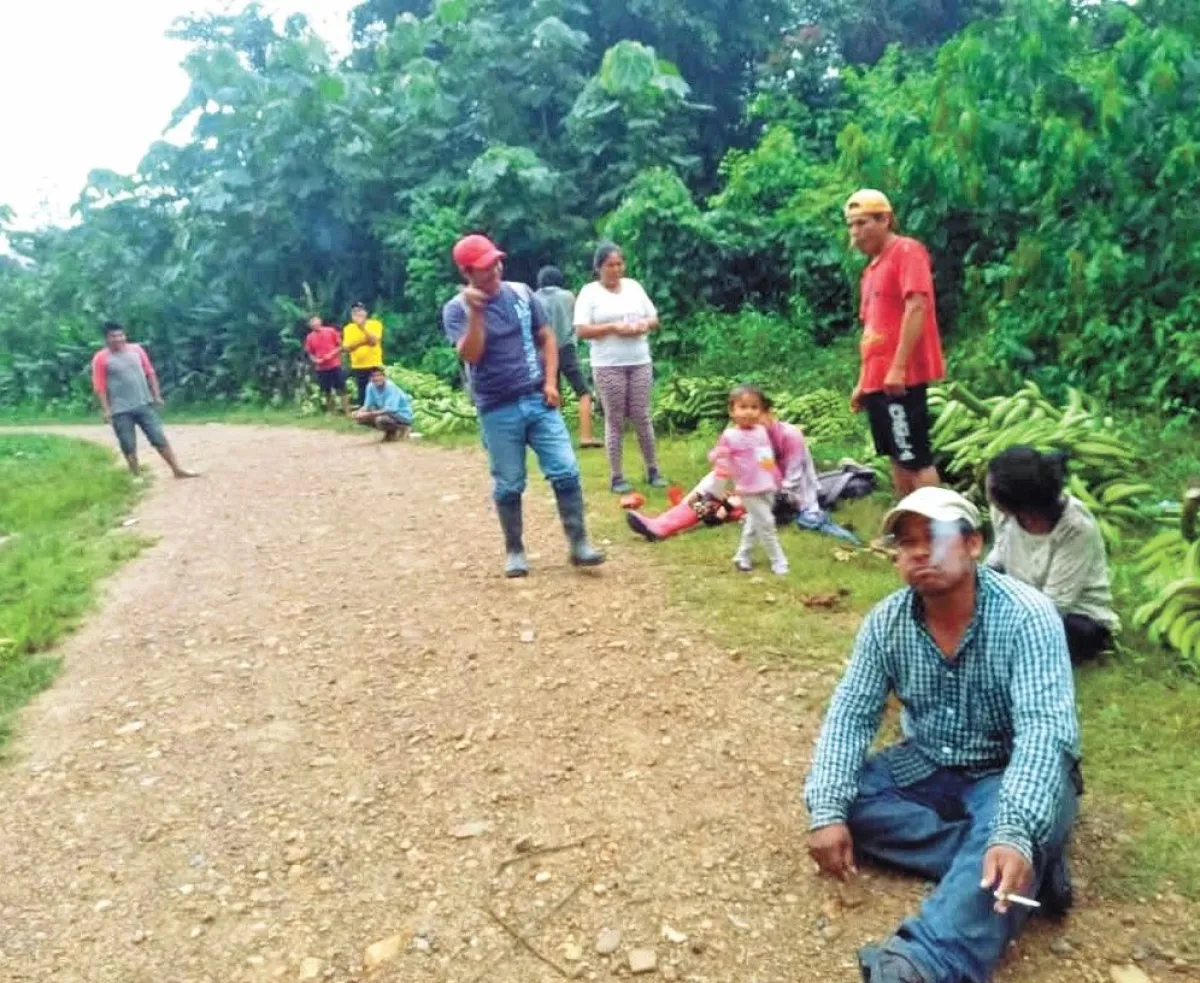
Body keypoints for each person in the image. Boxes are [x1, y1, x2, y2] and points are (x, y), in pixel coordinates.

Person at [804, 486, 1080, 983]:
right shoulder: (887, 621)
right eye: (906, 543)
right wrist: (826, 810)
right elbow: (851, 714)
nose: (918, 552)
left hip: (1009, 768)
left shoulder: (1027, 616)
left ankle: (924, 964)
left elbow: (1044, 733)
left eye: (933, 538)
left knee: (1011, 826)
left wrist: (1014, 828)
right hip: (929, 761)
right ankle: (1025, 868)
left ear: (973, 544)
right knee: (846, 803)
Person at [442, 234, 605, 578]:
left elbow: (547, 337)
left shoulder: (521, 293)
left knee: (566, 469)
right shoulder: (456, 309)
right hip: (496, 407)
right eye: (485, 267)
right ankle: (515, 550)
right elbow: (471, 354)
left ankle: (579, 544)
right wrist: (476, 313)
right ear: (467, 272)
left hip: (538, 397)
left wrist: (551, 382)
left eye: (497, 262)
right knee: (509, 482)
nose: (495, 270)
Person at [845, 189, 945, 497]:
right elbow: (872, 329)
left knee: (914, 457)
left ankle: (933, 523)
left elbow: (917, 306)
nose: (855, 232)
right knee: (895, 454)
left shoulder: (907, 251)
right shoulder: (870, 270)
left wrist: (898, 367)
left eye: (862, 223)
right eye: (851, 225)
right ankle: (906, 522)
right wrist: (863, 381)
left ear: (884, 220)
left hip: (901, 377)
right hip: (878, 379)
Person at [626, 396, 823, 543]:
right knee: (710, 497)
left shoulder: (790, 436)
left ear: (768, 413)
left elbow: (790, 485)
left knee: (724, 502)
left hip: (791, 498)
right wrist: (699, 494)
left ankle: (726, 512)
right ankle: (660, 526)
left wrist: (739, 498)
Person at [985, 446, 1118, 663]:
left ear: (1019, 505)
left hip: (1069, 613)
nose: (987, 492)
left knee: (1074, 633)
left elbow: (1054, 605)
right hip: (1021, 600)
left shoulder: (1075, 529)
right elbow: (1000, 552)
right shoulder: (1003, 512)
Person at [574, 241, 666, 494]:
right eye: (610, 265)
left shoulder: (634, 287)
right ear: (599, 267)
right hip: (608, 364)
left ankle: (653, 469)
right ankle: (616, 475)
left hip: (639, 359)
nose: (616, 270)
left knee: (642, 415)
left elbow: (653, 318)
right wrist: (613, 328)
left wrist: (643, 325)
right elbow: (581, 330)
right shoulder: (589, 293)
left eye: (619, 264)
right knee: (614, 418)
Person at [91, 322, 198, 479]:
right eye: (114, 336)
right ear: (107, 339)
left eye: (121, 335)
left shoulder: (136, 350)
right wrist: (106, 410)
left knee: (158, 437)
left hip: (143, 403)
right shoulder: (101, 358)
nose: (119, 339)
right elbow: (100, 386)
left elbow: (150, 372)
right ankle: (136, 475)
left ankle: (177, 469)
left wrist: (156, 395)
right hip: (120, 409)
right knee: (128, 443)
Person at [709, 384, 789, 576]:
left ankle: (742, 556)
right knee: (767, 523)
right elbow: (719, 461)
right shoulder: (729, 436)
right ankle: (778, 560)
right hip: (748, 488)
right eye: (743, 407)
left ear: (761, 411)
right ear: (732, 411)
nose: (749, 412)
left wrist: (776, 477)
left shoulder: (761, 431)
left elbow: (766, 457)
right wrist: (719, 477)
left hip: (767, 485)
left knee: (754, 522)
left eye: (754, 407)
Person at [535, 265, 600, 448]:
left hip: (543, 351)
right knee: (583, 392)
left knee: (553, 393)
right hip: (566, 348)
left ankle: (556, 438)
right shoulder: (568, 296)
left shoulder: (534, 298)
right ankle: (586, 436)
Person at [303, 314, 349, 415]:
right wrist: (315, 360)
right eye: (312, 322)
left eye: (316, 321)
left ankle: (347, 411)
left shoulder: (331, 331)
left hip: (335, 365)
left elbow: (340, 346)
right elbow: (310, 353)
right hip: (321, 368)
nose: (315, 324)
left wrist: (331, 354)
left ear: (320, 321)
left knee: (342, 388)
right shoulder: (310, 337)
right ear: (309, 325)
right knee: (327, 390)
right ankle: (331, 412)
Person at [353, 366, 414, 441]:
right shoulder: (370, 386)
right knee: (360, 418)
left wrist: (369, 414)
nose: (376, 378)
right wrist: (359, 412)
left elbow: (391, 410)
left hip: (402, 414)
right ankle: (390, 433)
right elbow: (367, 406)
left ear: (384, 377)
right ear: (370, 378)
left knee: (380, 420)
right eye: (373, 376)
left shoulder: (390, 387)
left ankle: (403, 428)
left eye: (379, 375)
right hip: (388, 414)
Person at [342, 301, 384, 405]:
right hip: (358, 365)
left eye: (360, 311)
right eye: (354, 312)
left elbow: (374, 341)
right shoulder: (348, 328)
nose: (357, 314)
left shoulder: (375, 324)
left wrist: (362, 328)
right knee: (363, 391)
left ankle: (380, 409)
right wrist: (363, 342)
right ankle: (364, 410)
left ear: (365, 313)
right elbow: (347, 347)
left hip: (374, 363)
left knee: (378, 389)